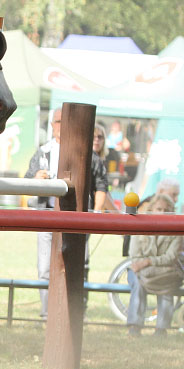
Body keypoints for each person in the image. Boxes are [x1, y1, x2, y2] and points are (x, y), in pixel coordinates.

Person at [25, 110, 110, 317]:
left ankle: (75, 312)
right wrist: (36, 178)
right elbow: (27, 180)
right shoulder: (42, 152)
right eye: (59, 121)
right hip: (46, 215)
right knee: (45, 268)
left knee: (79, 265)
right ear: (52, 125)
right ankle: (47, 314)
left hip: (79, 219)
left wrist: (96, 214)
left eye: (67, 121)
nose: (63, 125)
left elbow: (101, 185)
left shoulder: (88, 154)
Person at [127, 194, 184, 337]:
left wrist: (148, 262)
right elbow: (134, 256)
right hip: (141, 271)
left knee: (167, 282)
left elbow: (171, 257)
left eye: (167, 209)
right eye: (159, 208)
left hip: (165, 271)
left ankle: (161, 329)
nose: (162, 212)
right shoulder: (140, 227)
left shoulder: (177, 231)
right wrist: (148, 263)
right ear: (151, 209)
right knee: (138, 283)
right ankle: (135, 326)